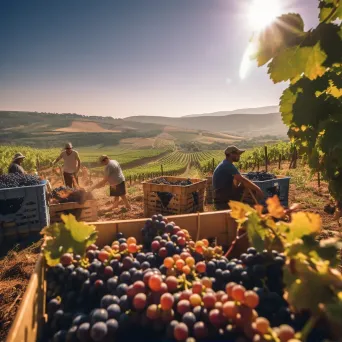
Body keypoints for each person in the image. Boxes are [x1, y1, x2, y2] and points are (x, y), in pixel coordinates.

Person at [212, 145, 264, 210]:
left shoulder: (225, 163)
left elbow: (237, 180)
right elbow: (242, 180)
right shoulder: (228, 165)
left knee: (243, 185)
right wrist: (258, 189)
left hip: (220, 196)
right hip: (222, 200)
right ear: (231, 154)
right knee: (246, 185)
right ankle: (257, 207)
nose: (239, 156)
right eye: (237, 154)